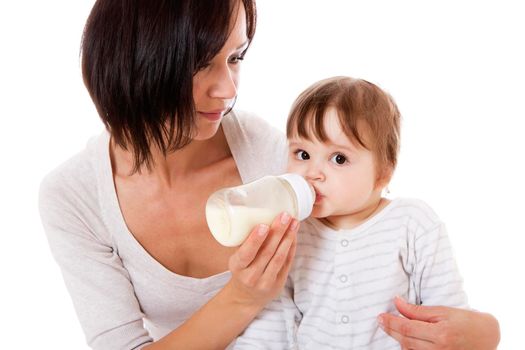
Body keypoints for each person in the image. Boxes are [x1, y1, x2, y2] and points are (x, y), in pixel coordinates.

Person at [38, 1, 499, 349]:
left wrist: (485, 330)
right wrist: (242, 297)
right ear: (135, 61)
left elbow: (359, 261)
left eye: (236, 57)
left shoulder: (277, 158)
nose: (228, 89)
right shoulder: (74, 196)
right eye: (201, 63)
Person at [235, 77, 500, 349]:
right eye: (302, 154)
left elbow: (448, 318)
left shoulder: (412, 223)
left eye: (339, 158)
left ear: (384, 172)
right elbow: (274, 318)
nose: (312, 173)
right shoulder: (294, 229)